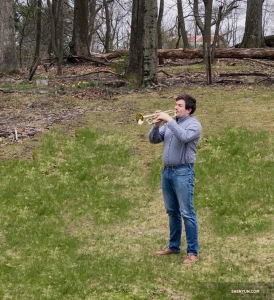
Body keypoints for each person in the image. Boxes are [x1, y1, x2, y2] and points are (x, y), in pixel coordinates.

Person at [148, 93, 202, 264]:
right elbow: (154, 140)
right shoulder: (173, 124)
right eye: (175, 105)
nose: (175, 108)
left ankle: (193, 252)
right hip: (167, 172)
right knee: (172, 212)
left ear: (189, 109)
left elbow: (184, 137)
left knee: (187, 213)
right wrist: (156, 125)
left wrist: (169, 121)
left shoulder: (194, 125)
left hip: (183, 172)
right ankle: (173, 246)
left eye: (179, 105)